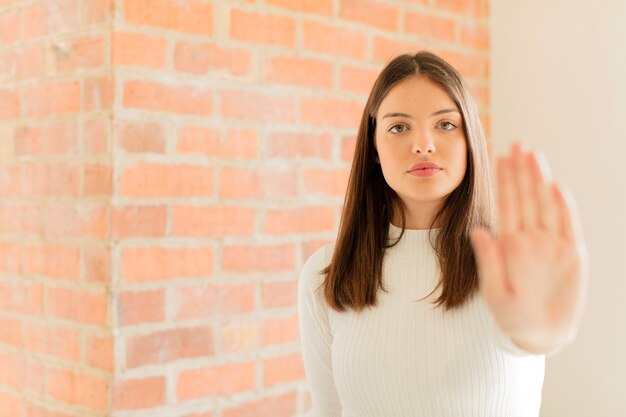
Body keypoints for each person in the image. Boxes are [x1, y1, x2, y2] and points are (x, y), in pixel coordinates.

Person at [297, 51, 589, 417]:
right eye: (399, 127)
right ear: (374, 147)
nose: (423, 144)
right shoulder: (325, 274)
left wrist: (544, 333)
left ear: (470, 139)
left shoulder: (507, 265)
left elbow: (532, 340)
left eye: (446, 125)